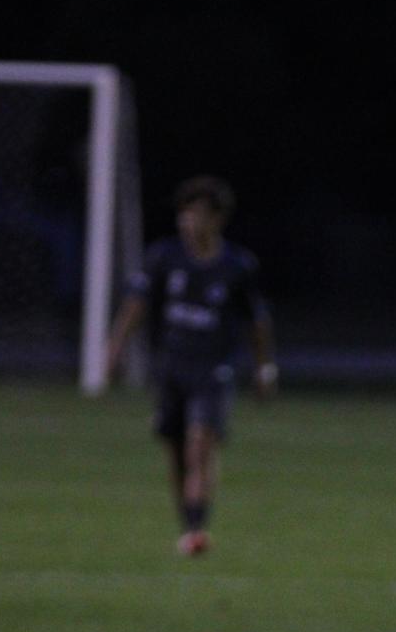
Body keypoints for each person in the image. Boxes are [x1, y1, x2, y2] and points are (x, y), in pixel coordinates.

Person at [104, 175, 276, 556]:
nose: (188, 222)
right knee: (177, 452)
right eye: (184, 214)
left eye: (197, 214)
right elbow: (137, 306)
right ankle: (188, 523)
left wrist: (264, 370)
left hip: (213, 371)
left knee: (200, 446)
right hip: (172, 369)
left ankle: (197, 530)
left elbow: (257, 324)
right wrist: (114, 349)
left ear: (217, 220)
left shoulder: (237, 266)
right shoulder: (164, 257)